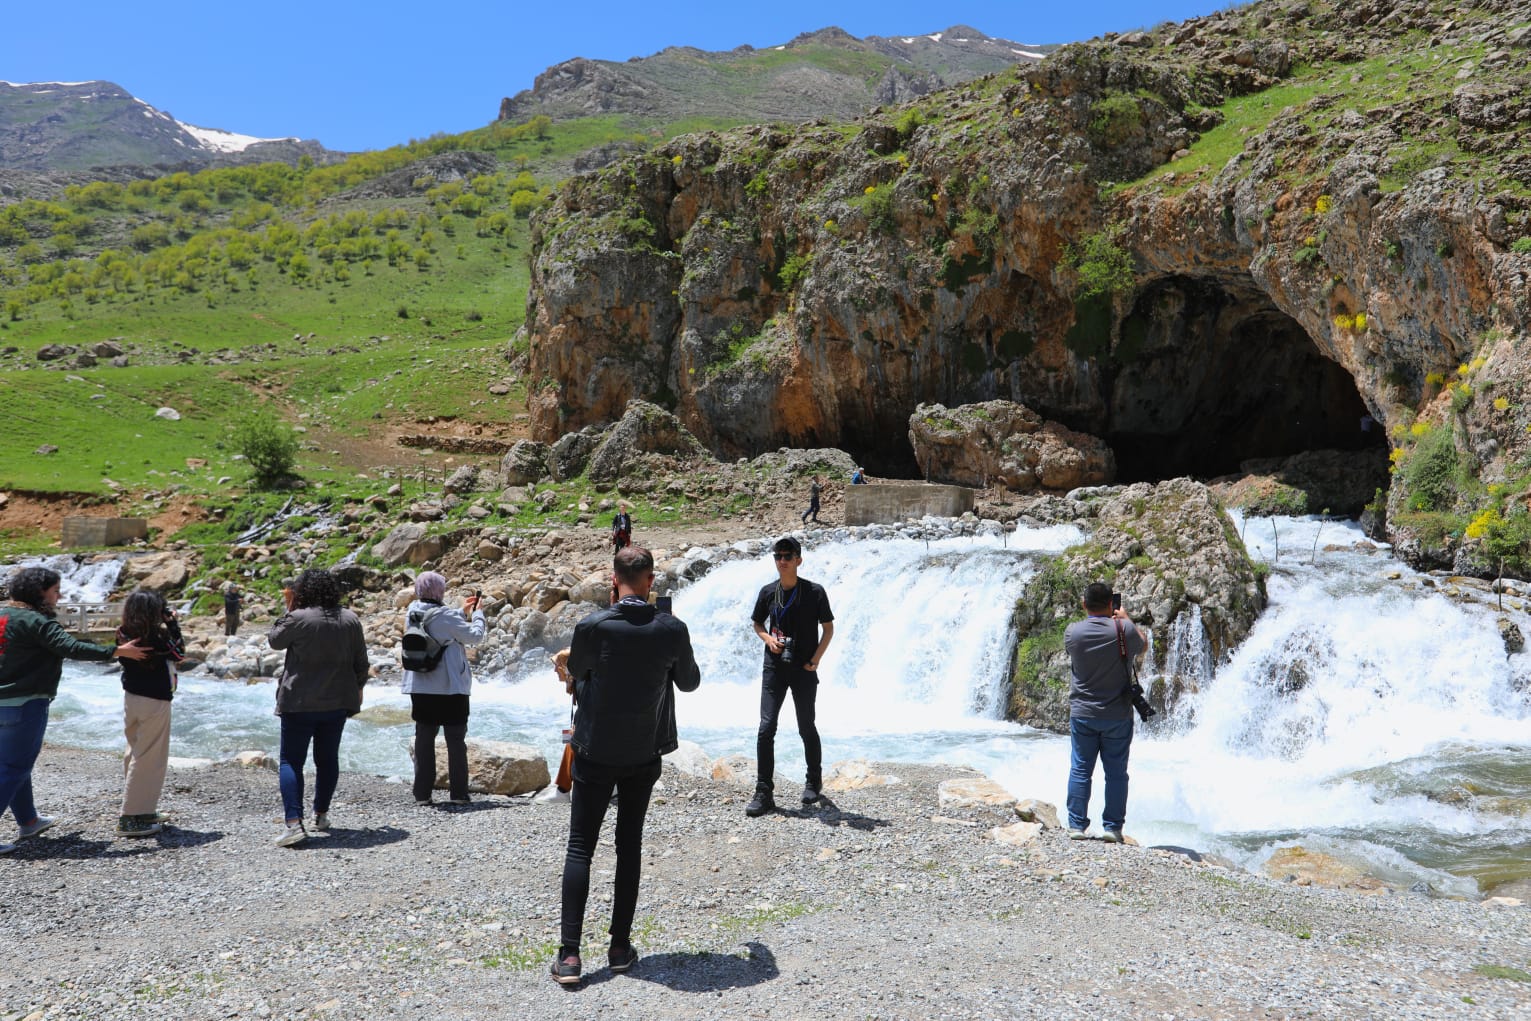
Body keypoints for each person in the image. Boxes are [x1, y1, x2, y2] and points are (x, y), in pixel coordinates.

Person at [551, 546, 699, 987]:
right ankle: (619, 947)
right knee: (627, 847)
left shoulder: (593, 625)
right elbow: (689, 683)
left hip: (595, 752)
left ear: (613, 580)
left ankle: (571, 957)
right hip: (642, 754)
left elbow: (576, 671)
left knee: (581, 847)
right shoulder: (671, 628)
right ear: (651, 580)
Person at [0, 567, 147, 855]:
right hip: (25, 704)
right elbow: (71, 647)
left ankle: (29, 821)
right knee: (14, 767)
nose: (59, 596)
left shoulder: (3, 615)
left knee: (15, 766)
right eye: (55, 591)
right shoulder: (38, 621)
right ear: (39, 593)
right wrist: (117, 651)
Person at [267, 568, 369, 847]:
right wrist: (358, 689)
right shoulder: (350, 618)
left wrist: (289, 607)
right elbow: (361, 662)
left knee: (291, 761)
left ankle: (293, 823)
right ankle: (321, 815)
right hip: (338, 702)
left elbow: (274, 640)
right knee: (327, 759)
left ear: (303, 592)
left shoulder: (298, 618)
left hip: (298, 702)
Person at [745, 536, 835, 817]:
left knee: (806, 726)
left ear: (799, 559)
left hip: (804, 668)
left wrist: (815, 660)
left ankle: (813, 780)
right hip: (774, 667)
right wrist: (767, 640)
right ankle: (763, 791)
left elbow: (828, 629)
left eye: (787, 556)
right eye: (778, 556)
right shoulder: (767, 592)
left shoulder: (814, 592)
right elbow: (758, 623)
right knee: (765, 727)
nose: (782, 561)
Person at [1063, 582, 1146, 843]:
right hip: (1117, 715)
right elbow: (1142, 645)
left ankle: (1076, 825)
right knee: (1116, 773)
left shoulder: (1073, 632)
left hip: (1083, 713)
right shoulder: (1124, 630)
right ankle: (1112, 828)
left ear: (1084, 603)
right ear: (1112, 603)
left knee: (1080, 769)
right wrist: (1125, 618)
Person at [401, 572, 486, 807]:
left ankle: (422, 794)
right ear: (440, 590)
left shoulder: (412, 611)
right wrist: (478, 614)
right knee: (455, 740)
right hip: (450, 688)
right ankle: (458, 793)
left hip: (420, 685)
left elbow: (438, 622)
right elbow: (475, 637)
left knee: (424, 739)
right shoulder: (446, 616)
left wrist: (461, 612)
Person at [114, 589, 185, 838]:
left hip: (131, 698)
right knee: (149, 758)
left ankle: (143, 809)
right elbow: (179, 653)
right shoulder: (155, 637)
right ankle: (131, 817)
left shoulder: (123, 632)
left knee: (135, 753)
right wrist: (173, 623)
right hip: (154, 700)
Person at [534, 647, 575, 804]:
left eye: (557, 666)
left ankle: (563, 791)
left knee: (573, 740)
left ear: (566, 668)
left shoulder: (583, 687)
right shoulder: (582, 684)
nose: (554, 671)